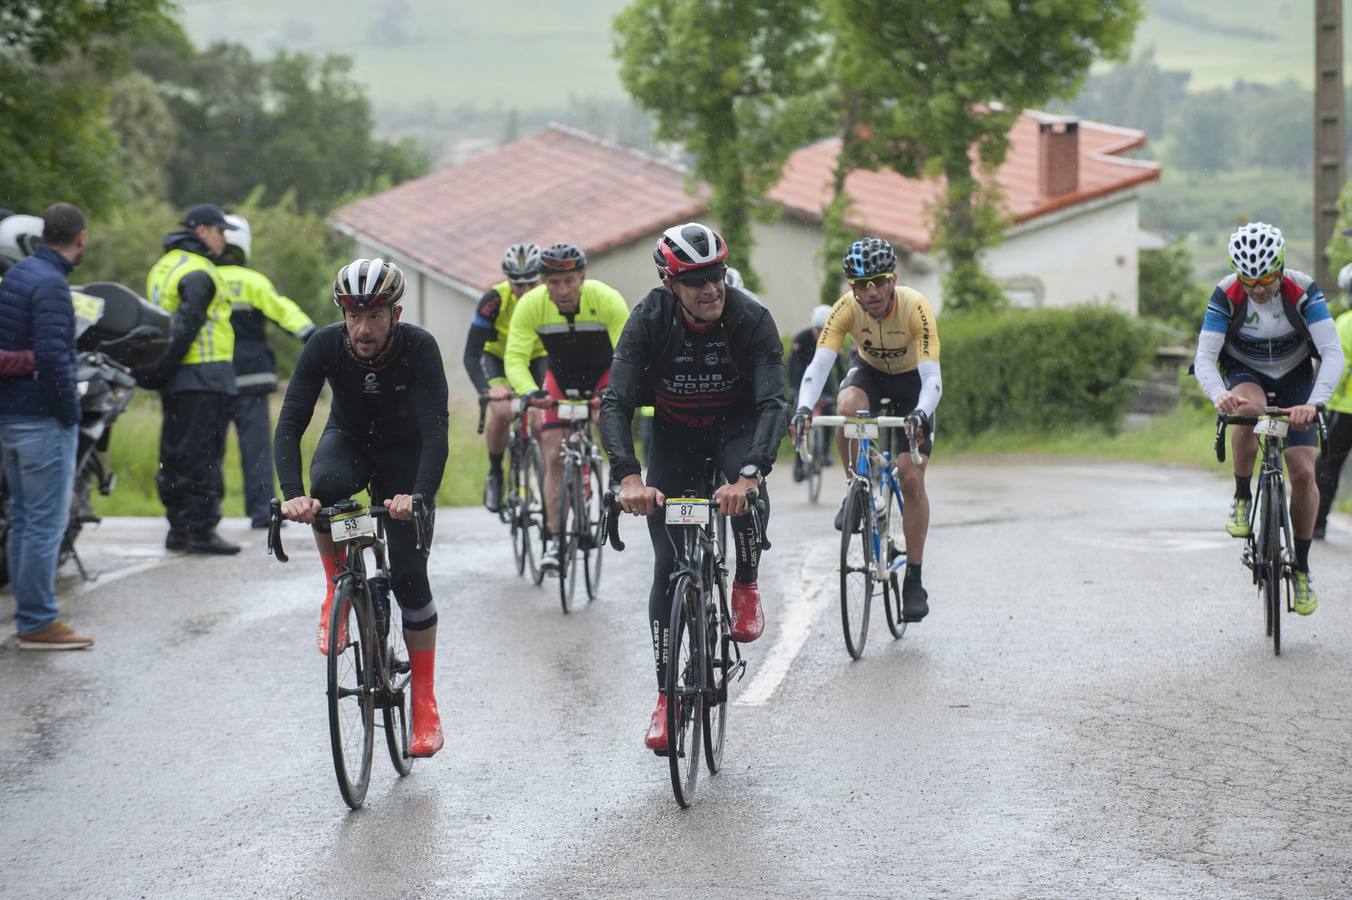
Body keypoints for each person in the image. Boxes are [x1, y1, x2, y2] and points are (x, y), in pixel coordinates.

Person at [600, 222, 787, 753]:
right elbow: (615, 403)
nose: (711, 289)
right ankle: (666, 697)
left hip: (736, 429)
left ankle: (745, 582)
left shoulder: (750, 317)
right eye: (695, 280)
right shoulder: (648, 321)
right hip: (675, 437)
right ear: (668, 282)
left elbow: (773, 401)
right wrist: (628, 477)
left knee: (745, 496)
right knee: (667, 564)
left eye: (717, 276)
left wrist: (750, 473)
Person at [274, 258, 449, 757]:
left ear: (395, 314)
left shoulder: (419, 347)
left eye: (373, 315)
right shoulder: (326, 345)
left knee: (411, 578)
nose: (362, 327)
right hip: (350, 440)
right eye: (353, 314)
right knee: (326, 486)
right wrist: (293, 495)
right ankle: (337, 589)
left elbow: (437, 429)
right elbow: (290, 425)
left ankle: (424, 704)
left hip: (406, 454)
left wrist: (416, 496)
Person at [1192, 222, 1344, 614]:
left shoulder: (1302, 289)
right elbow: (1205, 358)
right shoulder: (1226, 293)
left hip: (1295, 377)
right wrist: (1219, 395)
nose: (1258, 290)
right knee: (1248, 410)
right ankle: (1243, 495)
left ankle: (1303, 569)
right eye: (1249, 281)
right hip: (1246, 372)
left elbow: (1333, 353)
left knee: (1304, 473)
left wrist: (1315, 402)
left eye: (1266, 279)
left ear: (1280, 268)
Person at [792, 237, 942, 623]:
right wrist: (803, 408)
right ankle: (856, 486)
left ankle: (914, 577)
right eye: (861, 284)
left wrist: (922, 414)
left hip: (913, 386)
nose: (871, 292)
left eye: (878, 281)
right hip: (871, 375)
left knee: (910, 477)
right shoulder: (845, 309)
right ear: (851, 287)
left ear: (893, 279)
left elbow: (932, 379)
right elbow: (819, 365)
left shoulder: (916, 307)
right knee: (847, 407)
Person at [0, 203, 93, 649]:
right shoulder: (53, 285)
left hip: (12, 415)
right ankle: (38, 621)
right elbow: (55, 358)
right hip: (42, 419)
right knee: (43, 524)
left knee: (22, 520)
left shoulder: (19, 274)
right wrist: (69, 414)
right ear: (80, 238)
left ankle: (29, 614)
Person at [503, 242, 629, 572]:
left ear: (582, 278)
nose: (562, 290)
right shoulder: (531, 305)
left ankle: (618, 476)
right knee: (553, 454)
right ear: (543, 283)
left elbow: (627, 356)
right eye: (554, 283)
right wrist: (530, 391)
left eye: (569, 281)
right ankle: (556, 541)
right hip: (558, 379)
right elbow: (515, 357)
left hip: (604, 374)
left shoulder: (606, 299)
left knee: (608, 414)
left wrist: (613, 391)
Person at [145, 203, 241, 555]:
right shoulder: (200, 270)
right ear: (202, 230)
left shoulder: (164, 266)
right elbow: (187, 327)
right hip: (204, 376)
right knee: (203, 454)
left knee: (174, 453)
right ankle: (201, 530)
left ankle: (178, 528)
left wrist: (158, 371)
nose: (224, 238)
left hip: (177, 379)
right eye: (220, 230)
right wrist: (165, 367)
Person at [217, 214, 316, 529]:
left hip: (212, 379)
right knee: (256, 448)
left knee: (208, 449)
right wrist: (318, 339)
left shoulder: (202, 277)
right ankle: (261, 513)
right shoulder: (252, 282)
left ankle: (204, 515)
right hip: (252, 377)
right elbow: (290, 317)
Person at [462, 243, 546, 513]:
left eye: (531, 284)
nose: (524, 291)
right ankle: (496, 473)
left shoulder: (551, 297)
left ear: (541, 279)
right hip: (498, 359)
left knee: (540, 419)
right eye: (517, 285)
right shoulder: (494, 300)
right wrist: (486, 390)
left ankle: (544, 476)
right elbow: (472, 353)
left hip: (537, 358)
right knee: (500, 411)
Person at [787, 304, 843, 480]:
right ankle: (798, 463)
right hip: (802, 382)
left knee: (829, 412)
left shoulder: (834, 340)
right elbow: (792, 367)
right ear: (813, 327)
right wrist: (796, 389)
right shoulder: (801, 339)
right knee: (797, 415)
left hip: (825, 385)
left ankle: (825, 451)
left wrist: (842, 388)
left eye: (825, 330)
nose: (821, 334)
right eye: (818, 330)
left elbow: (840, 369)